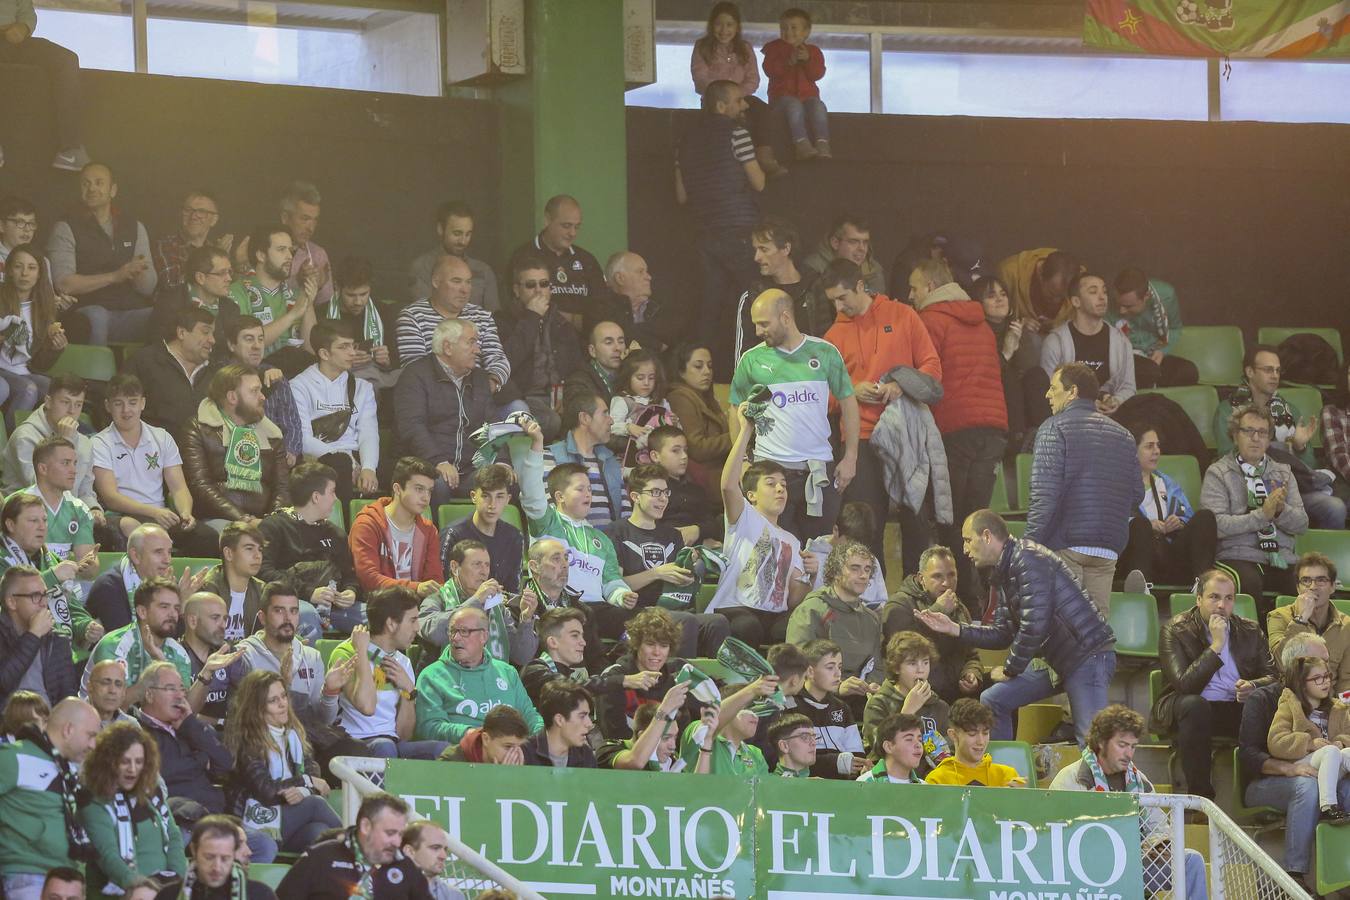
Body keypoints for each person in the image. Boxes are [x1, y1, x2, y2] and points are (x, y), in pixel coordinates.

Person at [917, 509, 1117, 746]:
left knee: (1094, 743)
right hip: (1057, 661)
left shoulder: (1028, 559)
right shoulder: (1003, 571)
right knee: (994, 699)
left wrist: (1011, 669)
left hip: (1087, 655)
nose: (964, 549)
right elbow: (1003, 633)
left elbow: (1035, 625)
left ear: (988, 536)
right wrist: (956, 629)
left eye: (968, 540)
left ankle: (1114, 784)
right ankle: (1005, 776)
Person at [822, 258, 942, 567]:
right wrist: (851, 390)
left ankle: (917, 599)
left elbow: (931, 367)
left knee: (915, 520)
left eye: (842, 297)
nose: (838, 306)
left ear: (860, 286)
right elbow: (824, 398)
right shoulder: (832, 338)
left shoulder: (903, 315)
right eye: (832, 300)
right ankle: (871, 601)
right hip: (859, 437)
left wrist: (900, 386)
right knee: (865, 525)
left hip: (904, 431)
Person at [910, 257, 1010, 580]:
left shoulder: (929, 320)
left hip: (954, 429)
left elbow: (926, 379)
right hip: (993, 429)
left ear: (930, 286)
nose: (910, 296)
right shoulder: (982, 323)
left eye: (914, 289)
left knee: (950, 519)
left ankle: (961, 596)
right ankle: (985, 594)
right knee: (978, 519)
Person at [731, 288, 858, 540]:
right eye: (756, 325)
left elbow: (848, 402)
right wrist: (743, 461)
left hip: (818, 469)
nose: (758, 331)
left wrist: (850, 457)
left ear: (786, 317)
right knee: (774, 551)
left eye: (764, 324)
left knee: (817, 552)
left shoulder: (825, 352)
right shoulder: (751, 359)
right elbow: (735, 406)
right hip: (770, 469)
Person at [1048, 704, 1209, 900]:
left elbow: (1158, 827)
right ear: (1100, 742)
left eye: (1133, 747)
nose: (1129, 754)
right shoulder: (1070, 779)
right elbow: (1055, 840)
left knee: (1191, 860)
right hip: (1087, 870)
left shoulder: (1139, 780)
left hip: (1133, 864)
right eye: (1122, 745)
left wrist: (1159, 845)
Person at [1238, 632, 1350, 894]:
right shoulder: (1264, 699)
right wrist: (1291, 768)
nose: (1327, 668)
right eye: (1319, 662)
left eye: (1328, 665)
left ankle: (1342, 876)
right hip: (1268, 782)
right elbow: (1248, 755)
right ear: (1297, 668)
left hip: (1324, 776)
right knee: (1306, 786)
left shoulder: (1333, 704)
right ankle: (1294, 877)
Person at [1029, 363, 1143, 617]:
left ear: (1073, 392)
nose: (1047, 394)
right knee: (1095, 635)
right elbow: (1137, 494)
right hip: (1108, 550)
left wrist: (1028, 544)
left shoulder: (1053, 427)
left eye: (1053, 388)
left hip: (1066, 545)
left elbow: (1044, 496)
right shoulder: (1124, 435)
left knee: (1066, 631)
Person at [1153, 568, 1277, 799]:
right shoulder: (1176, 630)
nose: (1221, 605)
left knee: (1268, 706)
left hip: (1236, 707)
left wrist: (1254, 686)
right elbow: (1184, 685)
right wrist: (1216, 646)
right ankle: (1200, 798)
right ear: (1199, 599)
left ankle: (1259, 793)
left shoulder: (1250, 630)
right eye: (1214, 597)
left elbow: (1274, 677)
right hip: (1191, 710)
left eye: (1228, 598)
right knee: (1194, 705)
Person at [704, 401, 811, 646]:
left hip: (773, 615)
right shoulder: (744, 517)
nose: (780, 488)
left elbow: (794, 598)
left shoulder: (792, 541)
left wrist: (811, 577)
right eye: (771, 484)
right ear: (751, 494)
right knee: (748, 627)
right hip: (735, 608)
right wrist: (745, 430)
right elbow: (728, 485)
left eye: (783, 484)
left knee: (796, 626)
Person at [674, 80, 765, 366]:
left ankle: (697, 370)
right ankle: (752, 369)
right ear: (721, 105)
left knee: (709, 309)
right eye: (739, 100)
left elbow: (681, 195)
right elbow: (759, 183)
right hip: (738, 230)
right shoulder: (738, 134)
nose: (745, 105)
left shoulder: (685, 142)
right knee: (754, 302)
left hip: (704, 234)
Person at [226, 583, 365, 769]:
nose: (287, 618)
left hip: (308, 734)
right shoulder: (245, 655)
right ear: (262, 617)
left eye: (293, 611)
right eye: (279, 611)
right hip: (266, 739)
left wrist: (330, 692)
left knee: (358, 753)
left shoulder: (311, 656)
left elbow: (324, 720)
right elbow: (248, 718)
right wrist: (285, 684)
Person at [604, 464, 730, 657]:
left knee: (717, 621)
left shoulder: (672, 535)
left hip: (672, 608)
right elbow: (616, 584)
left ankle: (713, 683)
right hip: (637, 612)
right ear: (635, 497)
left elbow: (680, 581)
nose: (663, 499)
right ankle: (678, 679)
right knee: (684, 620)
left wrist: (689, 574)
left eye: (665, 492)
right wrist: (657, 573)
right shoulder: (616, 532)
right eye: (655, 492)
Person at [514, 416, 638, 609]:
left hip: (599, 610)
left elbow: (611, 581)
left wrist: (622, 595)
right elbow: (531, 492)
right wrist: (537, 445)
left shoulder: (601, 539)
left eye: (589, 489)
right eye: (580, 489)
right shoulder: (547, 522)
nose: (588, 494)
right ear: (560, 496)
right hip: (561, 609)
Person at [1214, 344, 1343, 529]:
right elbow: (1225, 456)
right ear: (1250, 372)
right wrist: (1275, 448)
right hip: (1246, 489)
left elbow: (1309, 467)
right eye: (1268, 370)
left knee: (1335, 507)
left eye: (1277, 370)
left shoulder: (1290, 411)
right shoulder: (1227, 410)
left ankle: (1316, 559)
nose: (1275, 375)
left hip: (1290, 491)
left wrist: (1300, 447)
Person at [92, 374, 217, 554]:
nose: (126, 410)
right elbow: (111, 497)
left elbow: (179, 488)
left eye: (133, 402)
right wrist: (153, 512)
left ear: (143, 403)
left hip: (160, 515)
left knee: (208, 538)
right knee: (132, 527)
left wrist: (185, 513)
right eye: (119, 403)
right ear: (107, 406)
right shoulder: (100, 442)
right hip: (121, 515)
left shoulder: (162, 437)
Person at [1201, 404, 1307, 612]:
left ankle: (1294, 641)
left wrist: (1279, 511)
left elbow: (1302, 524)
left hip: (1281, 556)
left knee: (1306, 584)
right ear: (1234, 436)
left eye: (1262, 432)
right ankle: (1255, 641)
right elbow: (1217, 525)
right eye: (1248, 431)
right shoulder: (1218, 473)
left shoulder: (1283, 472)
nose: (1256, 438)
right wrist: (1262, 515)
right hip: (1237, 555)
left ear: (1269, 439)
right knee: (1248, 583)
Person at [223, 670, 339, 855]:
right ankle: (358, 850)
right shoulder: (248, 743)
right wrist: (306, 782)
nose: (282, 704)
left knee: (319, 831)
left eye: (283, 696)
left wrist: (302, 790)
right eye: (273, 700)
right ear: (256, 708)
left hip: (287, 820)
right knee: (316, 805)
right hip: (258, 820)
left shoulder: (293, 734)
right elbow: (267, 791)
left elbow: (311, 769)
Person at [0, 697, 99, 900]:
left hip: (68, 879)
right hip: (28, 875)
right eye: (90, 735)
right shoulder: (15, 757)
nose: (94, 744)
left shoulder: (70, 771)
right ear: (68, 729)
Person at [49, 164, 156, 345]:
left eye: (99, 183)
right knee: (97, 316)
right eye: (86, 184)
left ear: (112, 190)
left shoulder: (134, 227)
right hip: (86, 312)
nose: (92, 188)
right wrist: (115, 276)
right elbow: (63, 284)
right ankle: (94, 374)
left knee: (166, 316)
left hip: (129, 312)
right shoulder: (66, 227)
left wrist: (139, 272)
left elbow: (148, 288)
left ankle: (141, 372)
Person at [394, 318, 493, 506]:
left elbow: (492, 426)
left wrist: (502, 463)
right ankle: (436, 535)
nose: (477, 350)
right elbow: (412, 427)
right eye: (471, 342)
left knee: (501, 483)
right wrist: (438, 462)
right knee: (436, 484)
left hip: (469, 469)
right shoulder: (415, 375)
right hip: (424, 467)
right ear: (448, 347)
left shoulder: (479, 378)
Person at [78, 720, 185, 893]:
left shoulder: (151, 791)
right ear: (108, 761)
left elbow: (173, 836)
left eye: (139, 762)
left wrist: (176, 880)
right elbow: (106, 854)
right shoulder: (94, 799)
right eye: (125, 761)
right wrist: (138, 887)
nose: (133, 769)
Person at [257, 462, 362, 633]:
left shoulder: (335, 534)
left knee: (382, 619)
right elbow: (263, 571)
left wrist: (350, 591)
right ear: (315, 497)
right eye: (332, 491)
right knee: (306, 616)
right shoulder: (274, 527)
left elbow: (349, 574)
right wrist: (309, 592)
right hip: (293, 603)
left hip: (335, 606)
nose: (336, 499)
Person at [413, 606, 542, 743]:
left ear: (484, 636)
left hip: (509, 752)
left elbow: (529, 715)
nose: (455, 638)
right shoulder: (432, 676)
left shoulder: (507, 673)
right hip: (460, 753)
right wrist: (473, 735)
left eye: (464, 631)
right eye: (452, 631)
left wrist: (542, 735)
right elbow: (428, 727)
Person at [183, 365, 290, 528]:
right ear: (232, 397)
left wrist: (270, 523)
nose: (263, 397)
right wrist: (244, 520)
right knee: (241, 540)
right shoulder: (198, 428)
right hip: (216, 519)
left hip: (264, 521)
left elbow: (282, 487)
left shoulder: (272, 434)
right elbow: (200, 486)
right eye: (254, 391)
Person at [290, 320, 379, 505]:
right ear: (324, 353)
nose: (352, 352)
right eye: (343, 347)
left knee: (402, 470)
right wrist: (347, 460)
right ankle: (345, 527)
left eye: (352, 345)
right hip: (319, 457)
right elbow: (303, 439)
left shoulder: (363, 387)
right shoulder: (299, 385)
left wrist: (369, 468)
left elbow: (369, 432)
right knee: (341, 464)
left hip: (355, 455)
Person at [1119, 422, 1218, 588]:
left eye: (1158, 446)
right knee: (1140, 525)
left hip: (1168, 554)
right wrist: (1149, 525)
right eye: (1149, 446)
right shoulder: (1118, 484)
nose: (1156, 451)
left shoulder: (1166, 482)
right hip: (1136, 557)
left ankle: (1202, 587)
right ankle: (1141, 590)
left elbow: (1186, 514)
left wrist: (1178, 523)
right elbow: (1109, 523)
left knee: (1205, 517)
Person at [277, 793, 429, 900]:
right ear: (366, 826)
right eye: (390, 833)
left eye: (400, 834)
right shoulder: (320, 858)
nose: (397, 842)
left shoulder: (407, 869)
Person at [881, 546, 982, 703]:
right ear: (921, 578)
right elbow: (901, 649)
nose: (946, 583)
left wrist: (972, 673)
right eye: (937, 576)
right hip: (917, 692)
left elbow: (971, 655)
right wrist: (939, 610)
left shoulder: (960, 607)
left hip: (957, 691)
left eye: (951, 575)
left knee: (1000, 693)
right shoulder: (899, 604)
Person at [689, 4, 782, 175]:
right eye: (719, 24)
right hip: (714, 101)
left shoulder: (745, 48)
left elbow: (753, 79)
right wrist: (724, 97)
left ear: (737, 27)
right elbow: (700, 77)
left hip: (742, 98)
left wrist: (737, 97)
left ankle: (764, 153)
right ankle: (740, 165)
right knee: (731, 121)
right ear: (711, 25)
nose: (724, 30)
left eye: (729, 24)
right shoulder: (702, 47)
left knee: (761, 109)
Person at [0, 491, 99, 649]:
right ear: (10, 525)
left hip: (57, 649)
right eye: (33, 521)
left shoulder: (48, 558)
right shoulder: (2, 559)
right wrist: (53, 576)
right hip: (16, 649)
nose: (41, 527)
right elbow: (8, 603)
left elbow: (70, 606)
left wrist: (86, 626)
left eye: (44, 520)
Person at [499, 254, 583, 440]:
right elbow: (503, 364)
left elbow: (577, 368)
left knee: (591, 414)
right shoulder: (501, 321)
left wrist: (569, 396)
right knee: (550, 421)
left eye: (544, 284)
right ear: (516, 290)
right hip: (522, 398)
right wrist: (531, 317)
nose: (539, 291)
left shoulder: (561, 323)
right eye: (530, 285)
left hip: (557, 396)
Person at [2, 374, 102, 527]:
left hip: (69, 517)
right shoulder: (25, 437)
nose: (72, 411)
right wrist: (64, 443)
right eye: (65, 402)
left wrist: (94, 509)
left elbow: (85, 492)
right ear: (48, 401)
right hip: (27, 516)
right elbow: (41, 490)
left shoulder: (84, 443)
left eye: (78, 404)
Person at [395, 255, 508, 390]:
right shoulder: (413, 316)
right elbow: (414, 368)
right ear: (436, 282)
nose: (465, 290)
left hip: (481, 393)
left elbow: (498, 359)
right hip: (437, 395)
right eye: (456, 281)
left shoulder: (482, 316)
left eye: (468, 282)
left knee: (518, 408)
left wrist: (491, 384)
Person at [419, 539, 537, 666]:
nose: (484, 571)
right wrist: (476, 600)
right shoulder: (436, 600)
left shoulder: (496, 606)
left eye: (487, 565)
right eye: (477, 564)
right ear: (454, 567)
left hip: (491, 680)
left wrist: (526, 620)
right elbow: (434, 634)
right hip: (448, 681)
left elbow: (522, 657)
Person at [0, 0, 87, 170]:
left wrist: (24, 27)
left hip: (14, 41)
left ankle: (69, 150)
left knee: (67, 59)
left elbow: (27, 11)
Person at [84, 577, 192, 706]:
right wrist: (156, 671)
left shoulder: (178, 653)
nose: (172, 614)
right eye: (164, 607)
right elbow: (112, 705)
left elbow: (183, 705)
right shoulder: (115, 645)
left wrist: (161, 661)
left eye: (176, 608)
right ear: (142, 612)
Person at [786, 539, 883, 681]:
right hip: (821, 697)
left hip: (863, 697)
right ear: (836, 572)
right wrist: (839, 687)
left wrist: (872, 687)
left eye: (867, 569)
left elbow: (877, 666)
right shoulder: (811, 610)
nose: (863, 575)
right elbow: (798, 665)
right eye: (855, 568)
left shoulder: (871, 619)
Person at [1039, 273, 1137, 414]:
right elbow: (1049, 390)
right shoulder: (1056, 341)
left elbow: (1129, 387)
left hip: (1112, 416)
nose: (1102, 297)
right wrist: (1085, 404)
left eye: (1104, 291)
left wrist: (1116, 401)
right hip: (1072, 415)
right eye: (1093, 292)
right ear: (1076, 302)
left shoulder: (1121, 341)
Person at [1268, 654, 1350, 822]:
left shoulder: (1338, 708)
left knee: (1344, 753)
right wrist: (1310, 743)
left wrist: (1341, 741)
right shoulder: (1289, 707)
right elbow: (1276, 741)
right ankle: (1329, 806)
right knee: (1330, 752)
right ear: (1302, 684)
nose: (1326, 682)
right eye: (1317, 679)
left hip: (1332, 766)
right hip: (1304, 763)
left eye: (1327, 676)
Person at [350, 456, 444, 598]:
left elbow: (435, 579)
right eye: (419, 489)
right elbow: (368, 579)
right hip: (377, 606)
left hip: (417, 608)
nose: (426, 497)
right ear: (397, 489)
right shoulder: (368, 524)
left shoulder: (429, 530)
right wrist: (416, 587)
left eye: (429, 491)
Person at [733, 218, 826, 360]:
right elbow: (744, 357)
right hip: (770, 379)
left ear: (786, 249)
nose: (756, 257)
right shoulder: (753, 296)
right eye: (756, 250)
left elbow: (827, 342)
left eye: (764, 249)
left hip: (812, 376)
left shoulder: (815, 287)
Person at [595, 607, 693, 739]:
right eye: (650, 644)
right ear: (636, 644)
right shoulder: (614, 676)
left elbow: (681, 734)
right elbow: (612, 733)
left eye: (663, 646)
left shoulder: (673, 681)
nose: (657, 652)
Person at [509, 195, 605, 328]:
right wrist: (573, 320)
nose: (572, 233)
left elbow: (602, 308)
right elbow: (517, 307)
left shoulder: (586, 259)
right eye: (566, 226)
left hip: (585, 342)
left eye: (576, 227)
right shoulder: (523, 256)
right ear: (547, 220)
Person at [862, 631, 952, 773]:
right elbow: (879, 748)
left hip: (931, 782)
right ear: (896, 667)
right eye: (912, 663)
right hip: (890, 780)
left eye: (925, 662)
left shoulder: (940, 706)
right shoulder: (878, 704)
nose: (920, 670)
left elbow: (949, 753)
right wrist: (907, 713)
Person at [217, 316, 303, 463]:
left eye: (261, 339)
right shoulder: (218, 375)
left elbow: (291, 422)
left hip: (277, 457)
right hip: (237, 455)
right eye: (249, 339)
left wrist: (290, 452)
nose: (257, 346)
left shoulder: (274, 374)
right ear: (232, 345)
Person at [976, 274, 1047, 445]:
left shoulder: (1016, 328)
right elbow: (984, 377)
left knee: (1036, 375)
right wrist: (1006, 352)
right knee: (1008, 376)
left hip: (1021, 405)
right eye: (991, 296)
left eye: (1003, 294)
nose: (1000, 300)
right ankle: (1018, 440)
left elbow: (1028, 370)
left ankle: (1044, 436)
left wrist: (1019, 341)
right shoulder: (975, 333)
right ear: (979, 304)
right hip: (992, 405)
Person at [226, 226, 315, 362]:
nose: (290, 256)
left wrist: (307, 303)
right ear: (261, 255)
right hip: (254, 375)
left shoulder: (296, 296)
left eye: (291, 251)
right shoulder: (236, 292)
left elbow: (312, 349)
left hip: (295, 375)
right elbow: (245, 345)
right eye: (281, 250)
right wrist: (293, 315)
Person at [124, 305, 215, 432]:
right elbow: (122, 409)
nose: (212, 340)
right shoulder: (144, 362)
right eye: (205, 332)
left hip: (202, 449)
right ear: (182, 333)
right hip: (154, 448)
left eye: (213, 334)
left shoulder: (216, 370)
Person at [1269, 552, 1350, 692]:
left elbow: (1346, 680)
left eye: (1321, 580)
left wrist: (1342, 709)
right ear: (1298, 587)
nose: (1313, 586)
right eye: (1306, 580)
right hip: (1292, 701)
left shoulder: (1346, 625)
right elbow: (1281, 665)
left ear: (1332, 586)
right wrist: (1300, 620)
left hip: (1331, 704)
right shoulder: (1278, 616)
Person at [1106, 266, 1197, 388]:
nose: (1121, 311)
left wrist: (1162, 351)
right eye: (1119, 304)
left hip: (1154, 353)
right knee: (1147, 371)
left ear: (1146, 296)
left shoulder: (1166, 296)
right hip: (1128, 357)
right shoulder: (1105, 299)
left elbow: (1174, 329)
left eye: (1128, 306)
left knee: (1188, 371)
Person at [546, 388, 626, 526]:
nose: (611, 421)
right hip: (572, 542)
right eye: (605, 414)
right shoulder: (550, 456)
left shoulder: (611, 461)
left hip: (610, 544)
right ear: (585, 418)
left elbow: (626, 512)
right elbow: (548, 513)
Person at [0, 564, 78, 705]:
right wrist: (34, 635)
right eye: (35, 596)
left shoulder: (58, 641)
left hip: (49, 723)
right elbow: (3, 683)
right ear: (12, 602)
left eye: (45, 595)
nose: (44, 603)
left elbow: (68, 698)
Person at [440, 463, 524, 593]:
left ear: (508, 499)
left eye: (499, 497)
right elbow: (444, 587)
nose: (492, 505)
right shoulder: (454, 534)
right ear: (474, 496)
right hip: (461, 608)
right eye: (485, 496)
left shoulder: (514, 536)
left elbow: (513, 589)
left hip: (500, 608)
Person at [0, 246, 65, 413]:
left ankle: (62, 436)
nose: (24, 273)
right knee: (28, 389)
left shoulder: (45, 306)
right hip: (2, 370)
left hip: (25, 371)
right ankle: (15, 439)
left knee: (57, 392)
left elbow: (39, 365)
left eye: (31, 267)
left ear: (40, 273)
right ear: (9, 271)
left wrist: (54, 349)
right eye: (18, 266)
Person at [13, 436, 96, 564]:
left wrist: (89, 566)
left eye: (75, 463)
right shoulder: (14, 505)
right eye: (65, 463)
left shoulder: (80, 509)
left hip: (65, 583)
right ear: (43, 469)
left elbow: (87, 567)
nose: (74, 470)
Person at [761, 7, 829, 160]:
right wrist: (787, 62)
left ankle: (822, 142)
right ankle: (800, 143)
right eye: (783, 28)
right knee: (793, 104)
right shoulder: (774, 49)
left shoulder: (814, 51)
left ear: (806, 32)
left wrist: (808, 60)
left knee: (819, 106)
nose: (788, 32)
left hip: (808, 97)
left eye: (793, 28)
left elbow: (817, 74)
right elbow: (769, 70)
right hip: (781, 99)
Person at [677, 675, 778, 777]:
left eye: (759, 709)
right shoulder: (701, 733)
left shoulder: (755, 754)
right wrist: (752, 690)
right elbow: (714, 719)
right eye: (750, 707)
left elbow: (763, 791)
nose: (755, 715)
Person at [157, 815, 276, 900]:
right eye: (209, 857)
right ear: (194, 850)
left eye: (225, 858)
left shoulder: (259, 894)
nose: (217, 867)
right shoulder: (169, 895)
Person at [409, 202, 499, 312]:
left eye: (468, 234)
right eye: (457, 233)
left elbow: (494, 317)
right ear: (440, 229)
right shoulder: (422, 267)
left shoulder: (484, 271)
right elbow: (422, 312)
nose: (463, 241)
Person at [795, 638, 865, 778]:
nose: (838, 674)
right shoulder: (791, 707)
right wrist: (835, 763)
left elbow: (857, 754)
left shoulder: (842, 708)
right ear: (809, 671)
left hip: (843, 787)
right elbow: (790, 759)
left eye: (839, 667)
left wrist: (862, 766)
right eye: (830, 667)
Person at [322, 256, 395, 389]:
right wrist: (343, 361)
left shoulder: (384, 312)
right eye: (351, 295)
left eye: (363, 294)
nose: (358, 302)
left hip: (378, 377)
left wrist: (386, 360)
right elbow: (313, 360)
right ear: (337, 287)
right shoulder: (322, 314)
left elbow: (397, 360)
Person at [597, 685, 705, 773]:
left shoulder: (671, 761)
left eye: (674, 737)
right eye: (666, 738)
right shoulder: (610, 749)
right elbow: (635, 762)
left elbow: (693, 791)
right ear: (641, 736)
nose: (673, 746)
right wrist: (664, 711)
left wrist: (707, 745)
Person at [924, 698, 1025, 787]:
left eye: (985, 733)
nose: (981, 742)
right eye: (972, 734)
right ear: (953, 735)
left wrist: (1014, 801)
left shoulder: (1007, 777)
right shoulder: (937, 781)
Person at [594, 252, 680, 355]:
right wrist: (656, 344)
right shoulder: (600, 308)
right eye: (640, 272)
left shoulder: (657, 307)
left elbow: (671, 336)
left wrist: (630, 332)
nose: (649, 277)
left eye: (646, 271)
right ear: (620, 278)